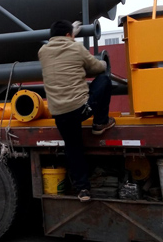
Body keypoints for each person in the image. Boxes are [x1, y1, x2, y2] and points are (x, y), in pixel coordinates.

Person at [38, 19, 115, 202]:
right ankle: (100, 123)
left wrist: (69, 34)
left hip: (59, 114)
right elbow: (97, 67)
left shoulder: (42, 52)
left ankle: (83, 190)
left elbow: (57, 47)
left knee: (73, 147)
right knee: (104, 80)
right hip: (80, 109)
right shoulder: (76, 48)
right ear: (68, 35)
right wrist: (104, 64)